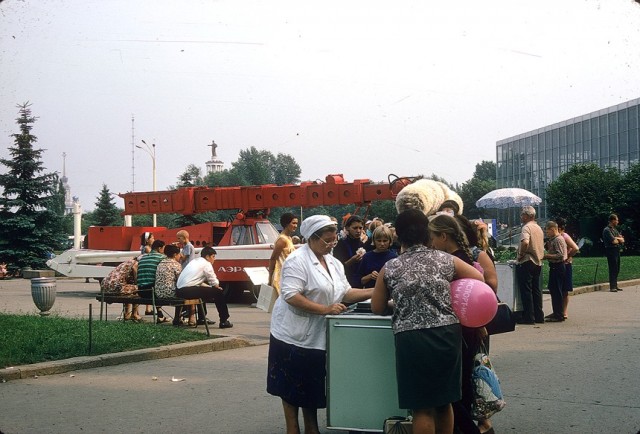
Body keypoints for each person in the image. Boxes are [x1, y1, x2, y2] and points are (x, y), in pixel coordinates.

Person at [371, 209, 484, 434]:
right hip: (446, 335)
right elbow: (478, 279)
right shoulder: (446, 260)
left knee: (421, 408)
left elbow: (377, 307)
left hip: (411, 338)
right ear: (427, 234)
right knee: (444, 402)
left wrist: (401, 303)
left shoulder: (391, 267)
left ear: (398, 236)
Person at [267, 215, 373, 434]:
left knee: (310, 385)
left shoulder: (333, 263)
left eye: (334, 239)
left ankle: (312, 428)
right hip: (291, 334)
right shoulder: (297, 260)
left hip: (317, 335)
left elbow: (346, 292)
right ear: (311, 239)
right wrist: (325, 309)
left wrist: (377, 290)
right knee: (290, 386)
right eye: (327, 240)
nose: (332, 244)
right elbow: (290, 295)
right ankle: (292, 429)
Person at [428, 214, 494, 434]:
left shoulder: (453, 262)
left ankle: (467, 429)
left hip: (459, 330)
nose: (432, 243)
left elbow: (472, 291)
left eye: (433, 237)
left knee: (452, 390)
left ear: (444, 236)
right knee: (462, 386)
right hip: (468, 329)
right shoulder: (463, 256)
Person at [176, 246, 232, 328]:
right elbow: (213, 281)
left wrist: (210, 287)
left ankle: (202, 318)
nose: (214, 259)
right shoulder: (206, 264)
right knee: (218, 293)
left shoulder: (194, 261)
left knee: (205, 291)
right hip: (188, 290)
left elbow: (197, 281)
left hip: (180, 290)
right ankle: (224, 320)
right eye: (213, 256)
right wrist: (216, 287)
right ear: (207, 257)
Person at [516, 206, 545, 324]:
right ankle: (539, 316)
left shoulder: (526, 227)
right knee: (536, 290)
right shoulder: (538, 228)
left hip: (527, 260)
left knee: (526, 290)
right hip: (538, 261)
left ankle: (529, 317)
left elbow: (525, 242)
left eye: (522, 215)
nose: (521, 217)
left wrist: (521, 254)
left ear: (527, 216)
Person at [154, 244, 194, 326]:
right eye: (179, 254)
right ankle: (181, 318)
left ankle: (178, 318)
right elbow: (181, 281)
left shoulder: (160, 263)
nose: (180, 256)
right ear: (175, 254)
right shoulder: (176, 265)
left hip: (158, 293)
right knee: (186, 292)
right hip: (170, 293)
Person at [136, 239, 168, 323]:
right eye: (163, 249)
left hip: (140, 290)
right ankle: (179, 317)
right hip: (152, 291)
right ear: (159, 248)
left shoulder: (143, 258)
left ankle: (160, 315)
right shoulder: (162, 258)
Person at [100, 257, 141, 322]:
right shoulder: (135, 263)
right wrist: (137, 281)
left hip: (104, 287)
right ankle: (134, 314)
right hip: (115, 287)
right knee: (137, 288)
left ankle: (127, 314)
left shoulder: (125, 263)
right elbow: (134, 268)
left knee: (128, 289)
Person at [543, 221, 567, 322]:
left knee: (557, 291)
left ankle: (559, 314)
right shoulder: (553, 239)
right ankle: (556, 311)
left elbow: (560, 255)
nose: (547, 233)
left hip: (558, 266)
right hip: (554, 267)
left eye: (547, 231)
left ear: (553, 229)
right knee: (553, 290)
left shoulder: (558, 240)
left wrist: (546, 256)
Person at [332, 215, 366, 288]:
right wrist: (350, 261)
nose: (358, 231)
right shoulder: (340, 245)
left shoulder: (362, 244)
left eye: (360, 228)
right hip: (345, 282)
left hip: (360, 282)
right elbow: (335, 268)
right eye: (355, 228)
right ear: (347, 228)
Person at [268, 212, 299, 293]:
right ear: (286, 224)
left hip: (288, 274)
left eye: (296, 223)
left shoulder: (289, 238)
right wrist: (270, 277)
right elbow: (273, 258)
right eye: (293, 223)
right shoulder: (282, 240)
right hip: (281, 276)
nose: (295, 226)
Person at [556, 217, 580, 319]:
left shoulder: (564, 236)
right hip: (560, 264)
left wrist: (568, 256)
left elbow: (575, 248)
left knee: (564, 289)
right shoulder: (558, 236)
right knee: (560, 289)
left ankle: (564, 311)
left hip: (565, 264)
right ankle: (559, 311)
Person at [603, 213, 625, 292]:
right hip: (610, 250)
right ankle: (612, 286)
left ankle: (615, 285)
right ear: (612, 220)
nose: (617, 221)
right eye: (617, 220)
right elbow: (614, 241)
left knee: (617, 268)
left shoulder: (614, 230)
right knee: (613, 268)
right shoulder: (607, 230)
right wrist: (618, 239)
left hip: (616, 250)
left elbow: (622, 240)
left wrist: (618, 238)